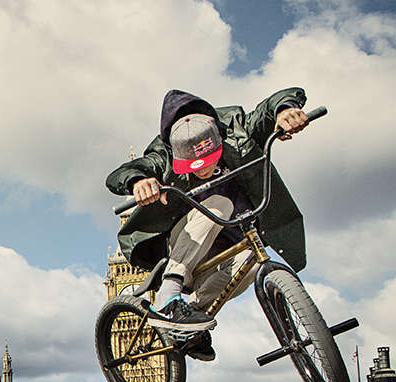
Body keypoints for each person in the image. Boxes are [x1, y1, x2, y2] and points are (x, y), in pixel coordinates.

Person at [106, 88, 311, 361]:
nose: (202, 170)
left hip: (229, 245)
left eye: (208, 160)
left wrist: (285, 109)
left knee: (250, 260)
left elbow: (269, 108)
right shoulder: (164, 153)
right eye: (193, 165)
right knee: (218, 205)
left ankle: (191, 318)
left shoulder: (235, 128)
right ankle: (169, 291)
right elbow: (120, 173)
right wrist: (137, 181)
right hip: (185, 244)